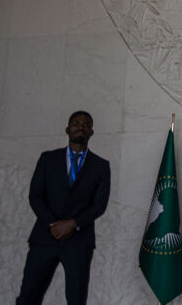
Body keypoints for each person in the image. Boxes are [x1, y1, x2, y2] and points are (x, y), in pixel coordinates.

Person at [15, 111, 111, 305]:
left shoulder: (100, 166)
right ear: (68, 130)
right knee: (28, 297)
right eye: (76, 123)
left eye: (86, 124)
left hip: (79, 241)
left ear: (91, 132)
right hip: (45, 237)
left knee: (76, 300)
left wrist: (73, 224)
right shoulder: (47, 159)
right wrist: (54, 224)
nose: (80, 127)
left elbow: (99, 205)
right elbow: (35, 196)